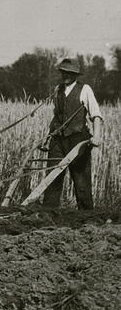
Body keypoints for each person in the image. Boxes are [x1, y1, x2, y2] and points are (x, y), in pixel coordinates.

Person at [42, 57, 103, 210]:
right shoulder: (58, 90)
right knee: (52, 178)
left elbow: (96, 115)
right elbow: (57, 116)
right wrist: (48, 136)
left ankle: (87, 218)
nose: (66, 76)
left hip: (78, 139)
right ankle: (47, 216)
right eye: (64, 72)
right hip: (57, 140)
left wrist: (96, 136)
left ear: (76, 75)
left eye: (69, 73)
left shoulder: (85, 89)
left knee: (81, 181)